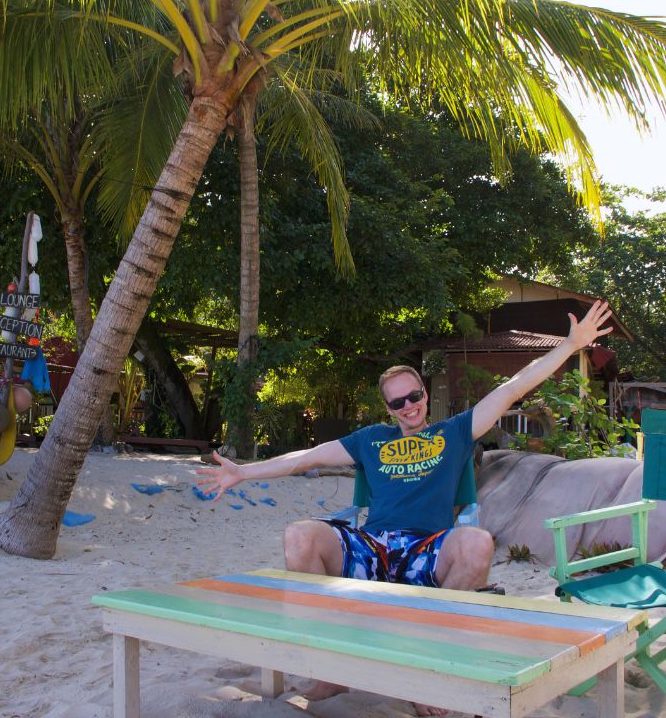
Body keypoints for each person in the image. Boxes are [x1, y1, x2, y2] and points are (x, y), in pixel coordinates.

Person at [196, 300, 613, 716]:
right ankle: (332, 668)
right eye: (397, 403)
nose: (408, 407)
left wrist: (570, 345)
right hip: (372, 547)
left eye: (413, 396)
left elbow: (513, 389)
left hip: (425, 550)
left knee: (477, 543)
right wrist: (243, 474)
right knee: (299, 534)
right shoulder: (371, 439)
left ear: (425, 394)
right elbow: (306, 458)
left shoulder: (455, 431)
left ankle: (427, 670)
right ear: (388, 409)